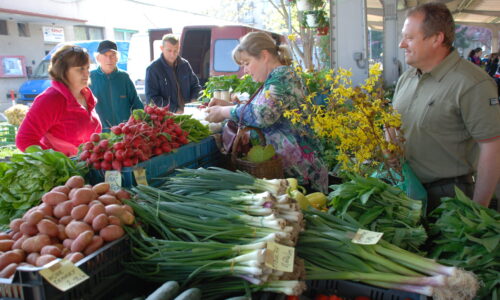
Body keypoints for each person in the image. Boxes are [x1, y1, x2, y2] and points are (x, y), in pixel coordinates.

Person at [392, 2, 500, 212]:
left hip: (449, 199)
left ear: (436, 39)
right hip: (406, 190)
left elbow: (492, 148)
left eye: (410, 37)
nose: (401, 44)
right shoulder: (407, 78)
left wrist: (478, 212)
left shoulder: (471, 83)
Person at [205, 32, 328, 193]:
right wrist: (231, 106)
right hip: (297, 174)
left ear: (264, 55)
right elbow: (269, 111)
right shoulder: (277, 77)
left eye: (247, 63)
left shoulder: (282, 77)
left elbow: (263, 115)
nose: (245, 71)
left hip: (303, 176)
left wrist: (224, 111)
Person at [16, 45, 102, 156]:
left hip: (89, 168)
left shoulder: (86, 96)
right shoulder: (50, 100)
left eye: (87, 68)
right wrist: (58, 162)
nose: (87, 73)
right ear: (63, 71)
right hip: (65, 172)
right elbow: (25, 140)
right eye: (80, 69)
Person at [90, 40, 143, 132]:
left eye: (112, 55)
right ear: (98, 58)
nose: (109, 59)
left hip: (124, 133)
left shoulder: (124, 77)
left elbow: (137, 105)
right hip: (99, 135)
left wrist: (135, 125)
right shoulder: (90, 78)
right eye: (105, 55)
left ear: (117, 58)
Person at [145, 34, 201, 113]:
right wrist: (174, 110)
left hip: (188, 113)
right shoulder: (153, 69)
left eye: (176, 51)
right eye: (169, 50)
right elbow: (152, 99)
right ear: (162, 48)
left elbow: (195, 85)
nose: (173, 54)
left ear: (179, 48)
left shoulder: (185, 65)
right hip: (166, 118)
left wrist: (194, 100)